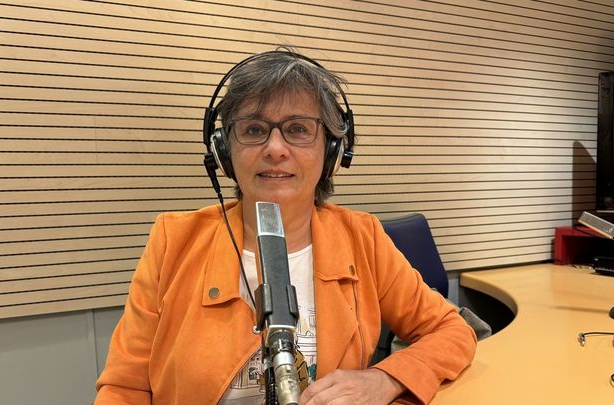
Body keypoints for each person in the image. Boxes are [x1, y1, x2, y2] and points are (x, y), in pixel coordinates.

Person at [95, 49, 476, 405]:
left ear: (331, 150)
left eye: (297, 129)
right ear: (224, 150)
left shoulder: (363, 238)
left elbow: (451, 331)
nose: (275, 148)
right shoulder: (174, 241)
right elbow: (124, 387)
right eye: (254, 129)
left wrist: (385, 378)